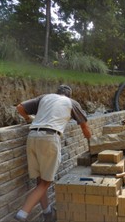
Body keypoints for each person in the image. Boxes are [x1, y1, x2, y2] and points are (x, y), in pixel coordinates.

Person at [15, 85, 92, 222]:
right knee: (45, 183)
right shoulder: (71, 103)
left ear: (56, 93)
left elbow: (20, 107)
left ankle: (48, 214)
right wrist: (90, 140)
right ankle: (22, 213)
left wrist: (28, 119)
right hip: (49, 138)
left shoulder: (44, 98)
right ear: (69, 95)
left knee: (40, 181)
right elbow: (84, 126)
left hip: (32, 137)